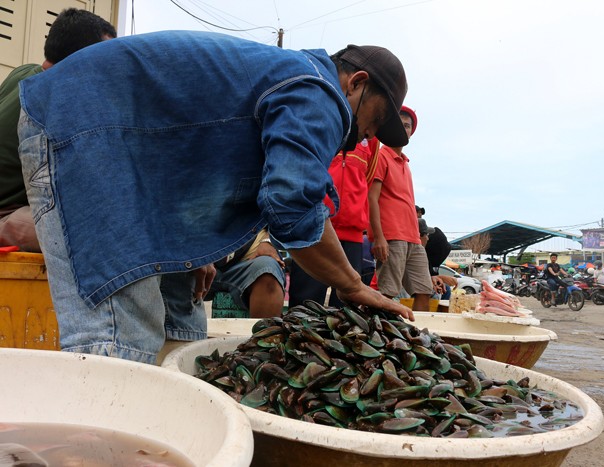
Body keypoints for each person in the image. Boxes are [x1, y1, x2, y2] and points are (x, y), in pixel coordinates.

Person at [18, 32, 413, 364]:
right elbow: (293, 204)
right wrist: (353, 285)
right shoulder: (319, 90)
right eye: (375, 120)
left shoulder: (289, 76)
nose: (367, 135)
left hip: (129, 154)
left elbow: (195, 152)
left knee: (184, 330)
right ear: (357, 82)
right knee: (121, 340)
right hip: (87, 128)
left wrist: (200, 249)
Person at [0, 8, 116, 252]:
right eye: (104, 61)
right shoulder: (55, 106)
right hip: (6, 215)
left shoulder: (24, 72)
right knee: (89, 237)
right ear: (79, 61)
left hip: (18, 206)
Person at [288, 138, 379, 307]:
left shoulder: (372, 139)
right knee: (305, 303)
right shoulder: (325, 123)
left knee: (346, 309)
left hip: (352, 236)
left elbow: (368, 178)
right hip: (314, 228)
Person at [368, 106, 433, 311]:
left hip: (413, 238)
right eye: (399, 124)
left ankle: (419, 339)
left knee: (424, 290)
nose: (403, 129)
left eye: (407, 126)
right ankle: (380, 339)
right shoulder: (382, 156)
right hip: (391, 236)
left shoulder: (405, 163)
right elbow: (371, 198)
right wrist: (378, 237)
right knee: (387, 291)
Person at [208, 229, 286, 317]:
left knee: (267, 271)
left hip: (252, 258)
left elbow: (284, 219)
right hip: (199, 254)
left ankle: (263, 330)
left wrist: (269, 240)